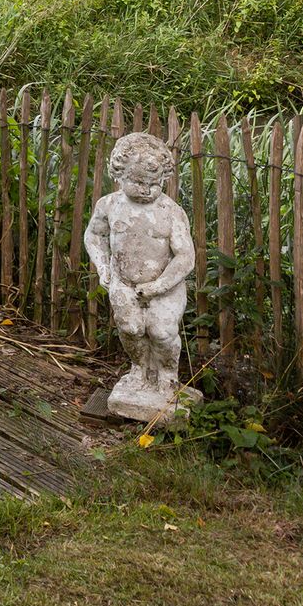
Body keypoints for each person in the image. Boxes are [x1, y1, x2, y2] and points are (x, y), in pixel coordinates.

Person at [83, 131, 198, 420]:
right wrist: (103, 267)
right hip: (124, 283)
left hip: (165, 287)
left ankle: (168, 376)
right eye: (138, 182)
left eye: (154, 184)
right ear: (118, 175)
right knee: (130, 329)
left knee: (161, 332)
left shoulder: (171, 212)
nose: (146, 190)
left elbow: (185, 257)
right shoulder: (109, 205)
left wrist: (159, 285)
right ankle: (140, 370)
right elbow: (94, 237)